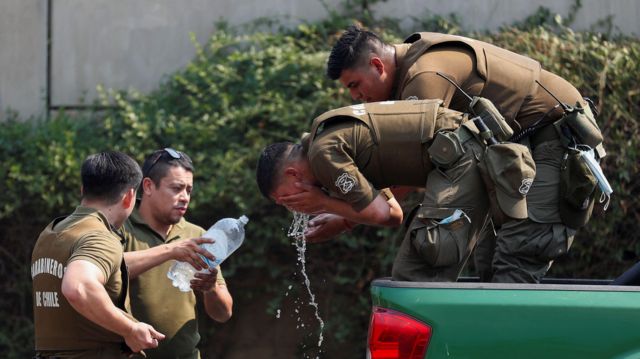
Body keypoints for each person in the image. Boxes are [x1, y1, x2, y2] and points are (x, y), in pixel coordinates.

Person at [322, 26, 606, 283]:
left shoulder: (423, 78)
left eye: (354, 85)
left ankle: (499, 340)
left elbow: (411, 171)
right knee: (489, 258)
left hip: (558, 139)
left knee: (520, 254)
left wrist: (349, 217)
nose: (355, 97)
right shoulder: (411, 65)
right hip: (514, 152)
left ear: (376, 65)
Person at [257, 99, 536, 282]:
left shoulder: (323, 155)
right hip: (467, 155)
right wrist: (341, 218)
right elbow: (391, 210)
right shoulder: (322, 141)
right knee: (487, 271)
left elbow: (382, 216)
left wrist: (324, 203)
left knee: (417, 273)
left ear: (293, 174)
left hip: (463, 159)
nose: (292, 207)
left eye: (286, 199)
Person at [31, 151, 164, 358]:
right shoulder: (100, 237)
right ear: (129, 196)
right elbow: (78, 287)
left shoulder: (51, 233)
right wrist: (129, 329)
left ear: (83, 189)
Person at [121, 148, 233, 359]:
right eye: (176, 188)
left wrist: (210, 289)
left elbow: (223, 313)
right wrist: (170, 250)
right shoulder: (121, 227)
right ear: (148, 186)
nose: (185, 197)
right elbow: (108, 270)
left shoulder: (197, 235)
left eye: (189, 190)